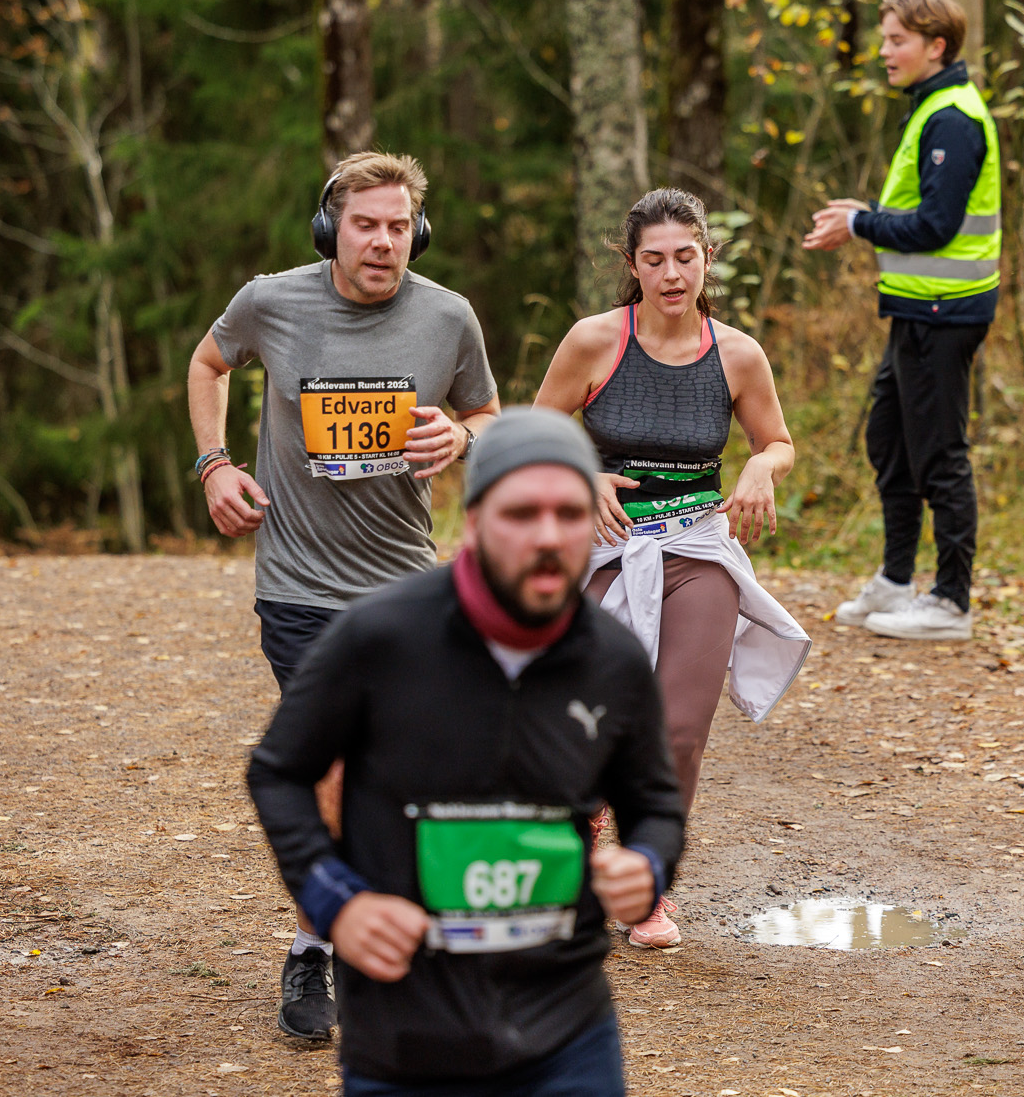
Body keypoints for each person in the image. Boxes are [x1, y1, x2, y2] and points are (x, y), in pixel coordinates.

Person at [247, 408, 683, 1096]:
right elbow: (279, 771)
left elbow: (655, 801)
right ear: (474, 523)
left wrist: (649, 863)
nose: (548, 536)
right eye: (521, 513)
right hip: (406, 1031)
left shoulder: (613, 659)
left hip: (566, 1030)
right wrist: (338, 902)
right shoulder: (378, 636)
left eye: (570, 513)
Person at [187, 150, 501, 1042]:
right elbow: (208, 362)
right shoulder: (272, 302)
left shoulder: (448, 317)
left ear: (418, 232)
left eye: (399, 226)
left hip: (407, 589)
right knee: (334, 769)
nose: (383, 242)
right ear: (332, 228)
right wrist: (214, 463)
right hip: (301, 587)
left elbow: (486, 412)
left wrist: (461, 436)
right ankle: (313, 949)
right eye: (366, 225)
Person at [534, 187, 810, 948]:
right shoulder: (594, 342)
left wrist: (761, 468)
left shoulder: (737, 353)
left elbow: (777, 441)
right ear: (632, 265)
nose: (671, 274)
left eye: (685, 257)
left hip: (696, 547)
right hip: (605, 548)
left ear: (707, 258)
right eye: (654, 260)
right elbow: (534, 431)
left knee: (680, 732)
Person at [803, 0, 1000, 642]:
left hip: (945, 312)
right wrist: (866, 215)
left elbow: (937, 226)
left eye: (896, 40)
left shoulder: (952, 118)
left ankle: (951, 602)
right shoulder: (930, 108)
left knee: (940, 454)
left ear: (935, 46)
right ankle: (895, 580)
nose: (884, 51)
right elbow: (922, 213)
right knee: (889, 440)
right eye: (884, 39)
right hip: (918, 310)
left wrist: (861, 223)